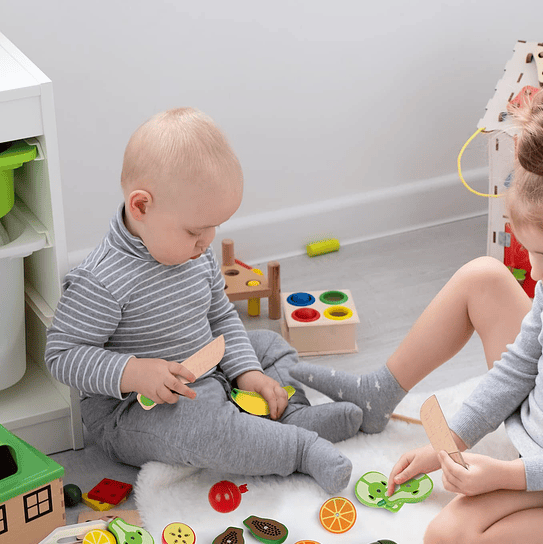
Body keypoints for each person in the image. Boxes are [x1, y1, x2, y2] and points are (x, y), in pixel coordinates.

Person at [291, 82, 543, 544]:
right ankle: (380, 390)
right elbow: (521, 365)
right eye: (535, 257)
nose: (536, 276)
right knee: (483, 276)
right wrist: (450, 440)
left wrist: (508, 476)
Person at [45, 107, 362, 494]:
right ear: (141, 206)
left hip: (206, 367)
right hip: (137, 407)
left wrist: (248, 373)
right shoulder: (102, 280)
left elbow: (221, 315)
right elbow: (62, 355)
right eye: (197, 230)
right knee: (207, 430)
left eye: (215, 227)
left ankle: (291, 414)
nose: (207, 241)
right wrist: (135, 372)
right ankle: (298, 449)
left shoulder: (194, 251)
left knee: (270, 345)